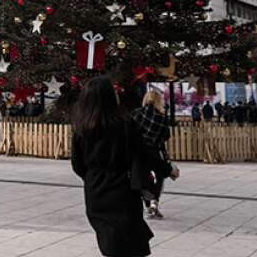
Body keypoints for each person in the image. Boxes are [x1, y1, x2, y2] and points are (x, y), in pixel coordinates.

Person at [71, 76, 178, 257]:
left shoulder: (81, 127)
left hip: (95, 192)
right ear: (107, 96)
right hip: (122, 189)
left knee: (109, 242)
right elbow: (144, 154)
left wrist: (93, 178)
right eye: (113, 90)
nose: (117, 92)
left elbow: (77, 164)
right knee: (131, 243)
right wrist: (168, 169)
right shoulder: (124, 124)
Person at [133, 90, 171, 219]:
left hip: (140, 150)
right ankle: (155, 201)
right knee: (159, 176)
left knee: (144, 177)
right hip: (155, 150)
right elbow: (166, 136)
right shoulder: (163, 117)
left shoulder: (139, 113)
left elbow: (132, 130)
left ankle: (147, 206)